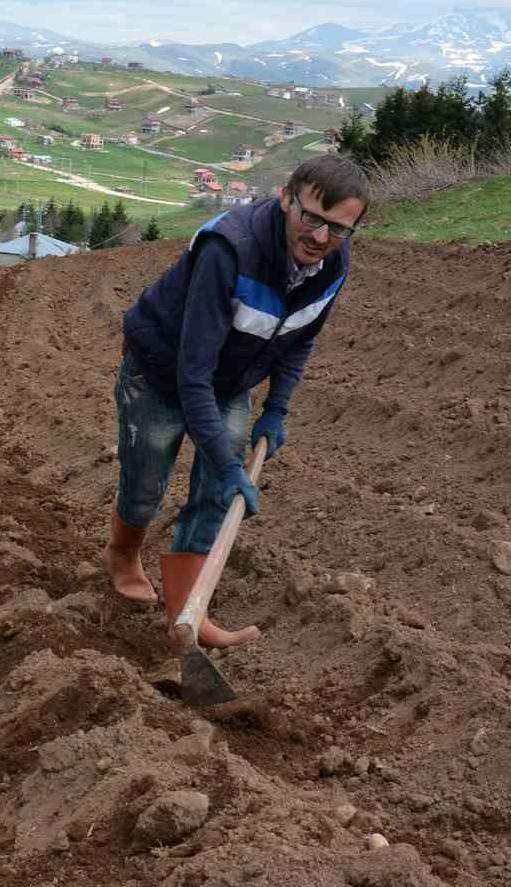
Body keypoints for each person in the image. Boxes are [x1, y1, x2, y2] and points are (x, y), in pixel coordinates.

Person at [105, 155, 368, 645]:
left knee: (216, 495)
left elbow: (301, 337)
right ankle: (121, 555)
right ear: (286, 198)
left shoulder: (334, 263)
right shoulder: (229, 249)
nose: (320, 236)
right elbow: (192, 374)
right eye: (311, 217)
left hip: (228, 380)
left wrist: (276, 410)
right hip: (160, 369)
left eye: (337, 228)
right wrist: (229, 465)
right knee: (145, 484)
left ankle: (188, 614)